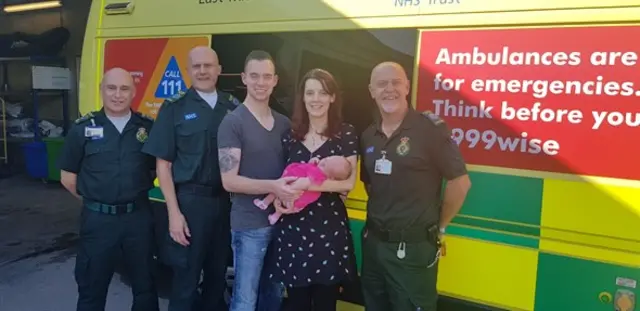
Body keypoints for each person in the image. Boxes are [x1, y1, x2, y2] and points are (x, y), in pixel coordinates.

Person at [359, 61, 472, 311]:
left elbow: (460, 183)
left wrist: (439, 227)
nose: (389, 89)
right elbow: (372, 186)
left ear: (407, 86)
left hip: (412, 251)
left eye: (396, 82)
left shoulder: (430, 129)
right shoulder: (368, 135)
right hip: (374, 246)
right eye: (382, 84)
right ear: (371, 91)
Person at [141, 46, 240, 311]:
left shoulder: (232, 106)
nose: (203, 71)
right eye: (196, 66)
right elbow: (163, 165)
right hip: (190, 203)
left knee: (217, 277)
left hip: (225, 201)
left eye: (208, 65)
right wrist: (174, 213)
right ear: (188, 71)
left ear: (219, 70)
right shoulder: (175, 107)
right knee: (185, 279)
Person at [58, 67, 159, 311]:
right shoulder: (82, 128)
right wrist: (95, 200)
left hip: (138, 218)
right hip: (98, 221)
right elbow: (67, 177)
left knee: (145, 287)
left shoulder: (146, 128)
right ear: (101, 90)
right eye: (111, 88)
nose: (117, 95)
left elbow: (156, 170)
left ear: (133, 92)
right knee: (92, 287)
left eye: (124, 89)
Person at [269, 68, 360, 311]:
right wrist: (279, 197)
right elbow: (283, 179)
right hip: (293, 229)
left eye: (322, 93)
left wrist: (306, 184)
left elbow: (347, 183)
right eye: (310, 92)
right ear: (303, 98)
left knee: (325, 303)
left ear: (332, 98)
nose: (316, 99)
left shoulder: (346, 133)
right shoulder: (289, 135)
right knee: (296, 303)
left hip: (328, 232)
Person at [217, 50, 297, 311]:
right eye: (254, 76)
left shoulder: (284, 124)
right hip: (249, 225)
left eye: (266, 76)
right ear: (244, 78)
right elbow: (229, 181)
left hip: (283, 223)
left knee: (273, 297)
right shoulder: (233, 122)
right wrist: (273, 186)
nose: (260, 82)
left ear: (275, 80)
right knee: (245, 300)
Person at [254, 155, 352, 224]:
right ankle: (273, 213)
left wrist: (301, 183)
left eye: (323, 165)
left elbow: (311, 178)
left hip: (295, 192)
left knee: (278, 192)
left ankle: (267, 205)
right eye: (326, 158)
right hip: (292, 190)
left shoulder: (320, 178)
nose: (322, 161)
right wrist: (312, 163)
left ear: (331, 178)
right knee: (279, 195)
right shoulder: (321, 173)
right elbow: (308, 169)